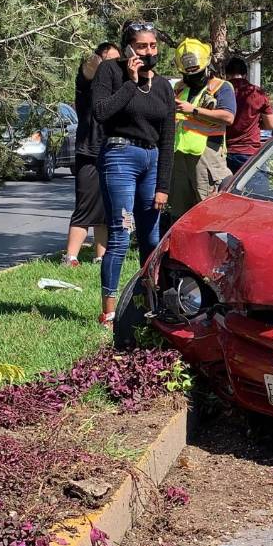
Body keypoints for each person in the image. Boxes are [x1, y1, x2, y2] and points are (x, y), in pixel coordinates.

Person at [92, 21, 175, 327]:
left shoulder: (164, 86)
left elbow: (168, 137)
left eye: (153, 46)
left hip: (151, 161)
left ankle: (147, 303)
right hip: (120, 157)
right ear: (128, 48)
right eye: (142, 46)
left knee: (151, 237)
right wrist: (130, 80)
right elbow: (101, 112)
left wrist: (163, 185)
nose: (149, 51)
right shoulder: (110, 72)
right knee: (120, 235)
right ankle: (110, 311)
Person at [166, 38, 236, 224]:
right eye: (187, 74)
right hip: (180, 159)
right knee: (179, 215)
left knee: (209, 214)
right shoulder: (179, 88)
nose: (191, 77)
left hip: (207, 160)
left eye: (196, 73)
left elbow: (228, 117)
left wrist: (194, 110)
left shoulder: (221, 87)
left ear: (206, 66)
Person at [64, 41, 121, 267]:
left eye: (117, 61)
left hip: (113, 150)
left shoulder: (117, 86)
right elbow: (87, 69)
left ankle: (101, 256)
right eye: (109, 61)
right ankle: (70, 257)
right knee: (85, 205)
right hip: (88, 151)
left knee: (108, 208)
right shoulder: (87, 83)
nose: (113, 66)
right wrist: (97, 58)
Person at [224, 57, 273, 173]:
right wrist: (255, 122)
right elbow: (271, 125)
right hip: (248, 151)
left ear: (226, 75)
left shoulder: (220, 92)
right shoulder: (257, 92)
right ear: (245, 74)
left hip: (223, 151)